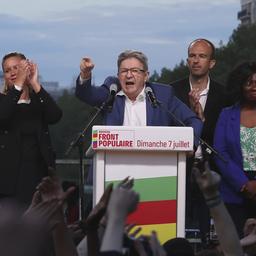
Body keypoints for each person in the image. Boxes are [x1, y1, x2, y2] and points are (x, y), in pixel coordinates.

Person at [170, 39, 227, 244]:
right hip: (177, 170)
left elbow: (225, 137)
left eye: (202, 56)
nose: (196, 60)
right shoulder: (171, 92)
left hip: (212, 170)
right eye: (192, 56)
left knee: (208, 235)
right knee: (177, 232)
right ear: (187, 61)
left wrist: (202, 120)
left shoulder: (224, 94)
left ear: (212, 63)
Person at [0, 52, 62, 206]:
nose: (13, 73)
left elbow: (55, 116)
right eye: (7, 70)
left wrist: (34, 83)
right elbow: (3, 116)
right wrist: (18, 86)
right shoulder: (3, 101)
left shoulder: (38, 101)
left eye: (17, 68)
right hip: (9, 182)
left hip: (39, 179)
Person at [213, 61, 256, 238]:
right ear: (240, 85)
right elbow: (220, 152)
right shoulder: (226, 114)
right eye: (249, 82)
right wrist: (243, 183)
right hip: (234, 192)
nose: (254, 87)